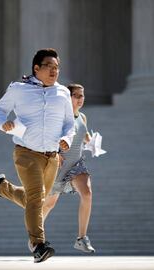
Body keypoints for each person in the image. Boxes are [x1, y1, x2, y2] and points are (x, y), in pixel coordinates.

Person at [0, 48, 75, 263]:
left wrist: (67, 140)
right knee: (35, 198)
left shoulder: (62, 93)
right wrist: (2, 124)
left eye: (57, 68)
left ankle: (2, 188)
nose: (54, 71)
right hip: (26, 153)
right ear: (36, 68)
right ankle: (38, 245)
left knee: (36, 201)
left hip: (52, 156)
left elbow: (69, 124)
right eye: (49, 67)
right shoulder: (18, 89)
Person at [43, 83, 96, 254]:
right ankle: (36, 237)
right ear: (68, 97)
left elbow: (85, 136)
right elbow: (48, 137)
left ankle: (82, 238)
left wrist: (92, 142)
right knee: (49, 204)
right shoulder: (59, 118)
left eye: (82, 95)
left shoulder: (82, 117)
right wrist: (55, 153)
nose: (81, 99)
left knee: (87, 194)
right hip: (58, 166)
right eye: (77, 96)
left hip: (77, 164)